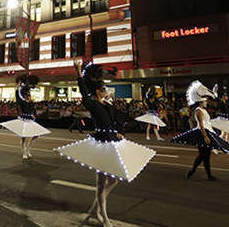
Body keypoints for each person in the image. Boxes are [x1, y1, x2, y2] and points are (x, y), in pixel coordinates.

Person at [55, 61, 155, 227]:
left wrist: (121, 130)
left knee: (114, 180)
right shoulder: (92, 103)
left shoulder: (108, 105)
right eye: (103, 89)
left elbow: (118, 119)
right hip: (101, 142)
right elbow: (83, 91)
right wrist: (79, 72)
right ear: (97, 91)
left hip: (113, 141)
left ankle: (95, 208)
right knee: (101, 183)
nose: (106, 91)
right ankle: (104, 216)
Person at [171, 81, 229, 181]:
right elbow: (201, 124)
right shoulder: (198, 110)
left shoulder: (204, 110)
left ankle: (206, 174)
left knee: (206, 155)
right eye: (205, 101)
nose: (206, 102)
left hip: (208, 132)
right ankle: (195, 171)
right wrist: (205, 136)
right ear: (200, 101)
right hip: (201, 134)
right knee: (203, 155)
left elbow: (207, 122)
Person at [0, 74, 51, 160]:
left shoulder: (31, 103)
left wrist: (34, 116)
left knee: (36, 135)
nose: (29, 96)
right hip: (24, 120)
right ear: (25, 96)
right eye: (27, 95)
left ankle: (28, 149)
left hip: (31, 121)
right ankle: (24, 153)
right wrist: (19, 87)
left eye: (29, 95)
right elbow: (18, 95)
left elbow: (33, 110)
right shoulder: (22, 102)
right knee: (24, 137)